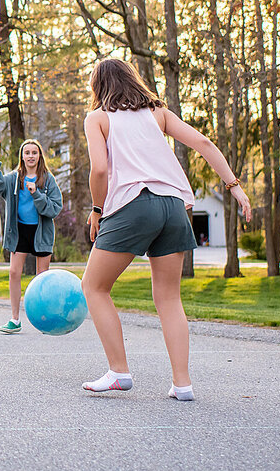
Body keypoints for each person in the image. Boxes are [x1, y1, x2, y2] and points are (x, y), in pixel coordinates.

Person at [80, 58, 252, 401]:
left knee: (94, 287)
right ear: (132, 80)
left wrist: (97, 209)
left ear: (98, 87)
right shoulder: (157, 112)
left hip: (134, 204)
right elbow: (203, 142)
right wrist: (234, 186)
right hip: (174, 206)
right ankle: (182, 383)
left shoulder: (97, 118)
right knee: (169, 298)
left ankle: (119, 371)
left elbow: (100, 170)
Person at [0, 138, 64, 333]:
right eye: (27, 152)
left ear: (39, 156)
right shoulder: (13, 179)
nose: (31, 156)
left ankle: (44, 319)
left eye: (34, 152)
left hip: (41, 233)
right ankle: (15, 319)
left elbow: (54, 209)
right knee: (14, 272)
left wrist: (37, 194)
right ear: (22, 156)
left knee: (41, 278)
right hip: (19, 232)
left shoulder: (48, 180)